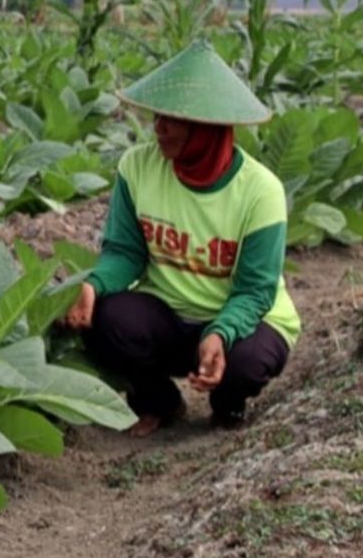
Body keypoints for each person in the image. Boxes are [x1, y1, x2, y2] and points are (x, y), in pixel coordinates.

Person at [64, 41, 300, 437]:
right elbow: (125, 253)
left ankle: (228, 406)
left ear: (207, 129)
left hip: (244, 319)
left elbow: (256, 290)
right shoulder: (137, 167)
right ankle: (159, 402)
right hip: (170, 315)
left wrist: (220, 332)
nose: (158, 128)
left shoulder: (261, 191)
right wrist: (93, 284)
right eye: (157, 116)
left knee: (246, 362)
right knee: (106, 320)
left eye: (172, 120)